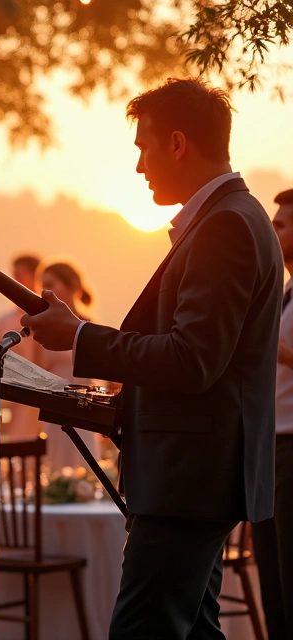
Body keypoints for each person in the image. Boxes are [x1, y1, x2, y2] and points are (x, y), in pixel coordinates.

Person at [22, 78, 281, 638]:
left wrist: (83, 337)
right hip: (196, 477)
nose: (139, 165)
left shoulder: (226, 227)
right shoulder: (232, 219)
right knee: (194, 630)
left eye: (144, 146)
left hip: (188, 480)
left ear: (179, 144)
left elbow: (193, 361)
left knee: (143, 630)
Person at [255, 187, 293, 640]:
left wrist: (275, 350)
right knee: (273, 582)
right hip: (271, 446)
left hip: (291, 448)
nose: (271, 229)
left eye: (281, 224)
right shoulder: (284, 290)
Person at [34, 258, 104, 470]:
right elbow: (38, 369)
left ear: (72, 284)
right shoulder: (43, 327)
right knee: (55, 465)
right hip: (55, 403)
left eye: (52, 284)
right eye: (42, 285)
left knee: (85, 462)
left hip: (84, 405)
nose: (46, 291)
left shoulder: (92, 327)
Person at [0, 253, 43, 437]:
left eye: (20, 275)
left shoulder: (47, 320)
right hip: (15, 400)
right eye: (13, 275)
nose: (15, 280)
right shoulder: (4, 320)